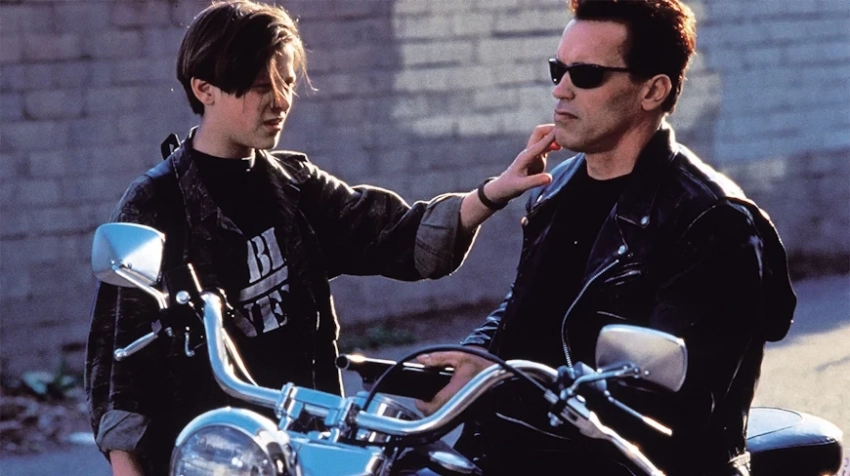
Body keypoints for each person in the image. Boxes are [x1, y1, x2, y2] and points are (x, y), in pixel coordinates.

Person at [84, 1, 558, 474]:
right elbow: (118, 369)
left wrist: (494, 192)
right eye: (260, 87)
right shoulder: (158, 204)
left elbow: (399, 236)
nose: (280, 101)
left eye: (287, 83)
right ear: (204, 88)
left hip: (303, 446)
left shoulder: (292, 186)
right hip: (211, 456)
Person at [415, 1, 796, 475]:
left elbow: (668, 404)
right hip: (513, 455)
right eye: (558, 69)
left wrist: (501, 383)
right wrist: (471, 358)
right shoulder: (555, 189)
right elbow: (527, 312)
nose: (561, 89)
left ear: (653, 90)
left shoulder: (712, 220)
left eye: (586, 75)